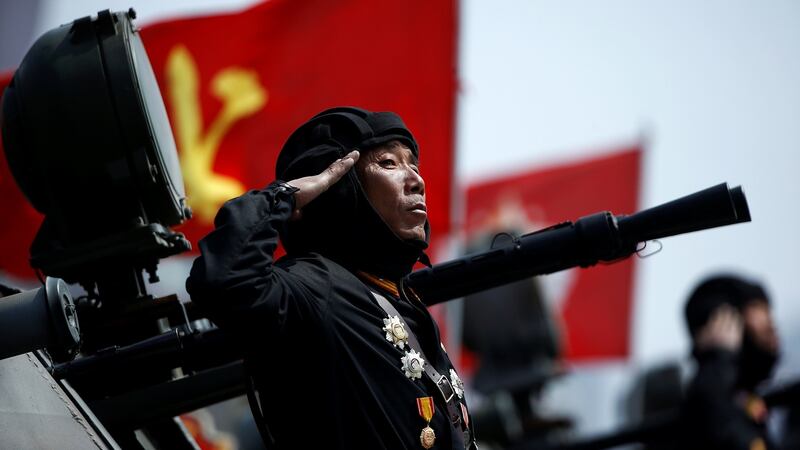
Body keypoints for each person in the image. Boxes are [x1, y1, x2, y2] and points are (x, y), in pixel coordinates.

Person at [186, 107, 476, 449]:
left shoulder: (399, 297)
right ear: (343, 186)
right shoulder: (316, 285)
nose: (416, 179)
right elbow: (225, 279)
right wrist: (284, 196)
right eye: (388, 163)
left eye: (412, 164)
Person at [681, 274, 780, 449]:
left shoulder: (754, 397)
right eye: (757, 308)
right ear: (725, 323)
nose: (770, 321)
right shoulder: (710, 399)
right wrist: (720, 358)